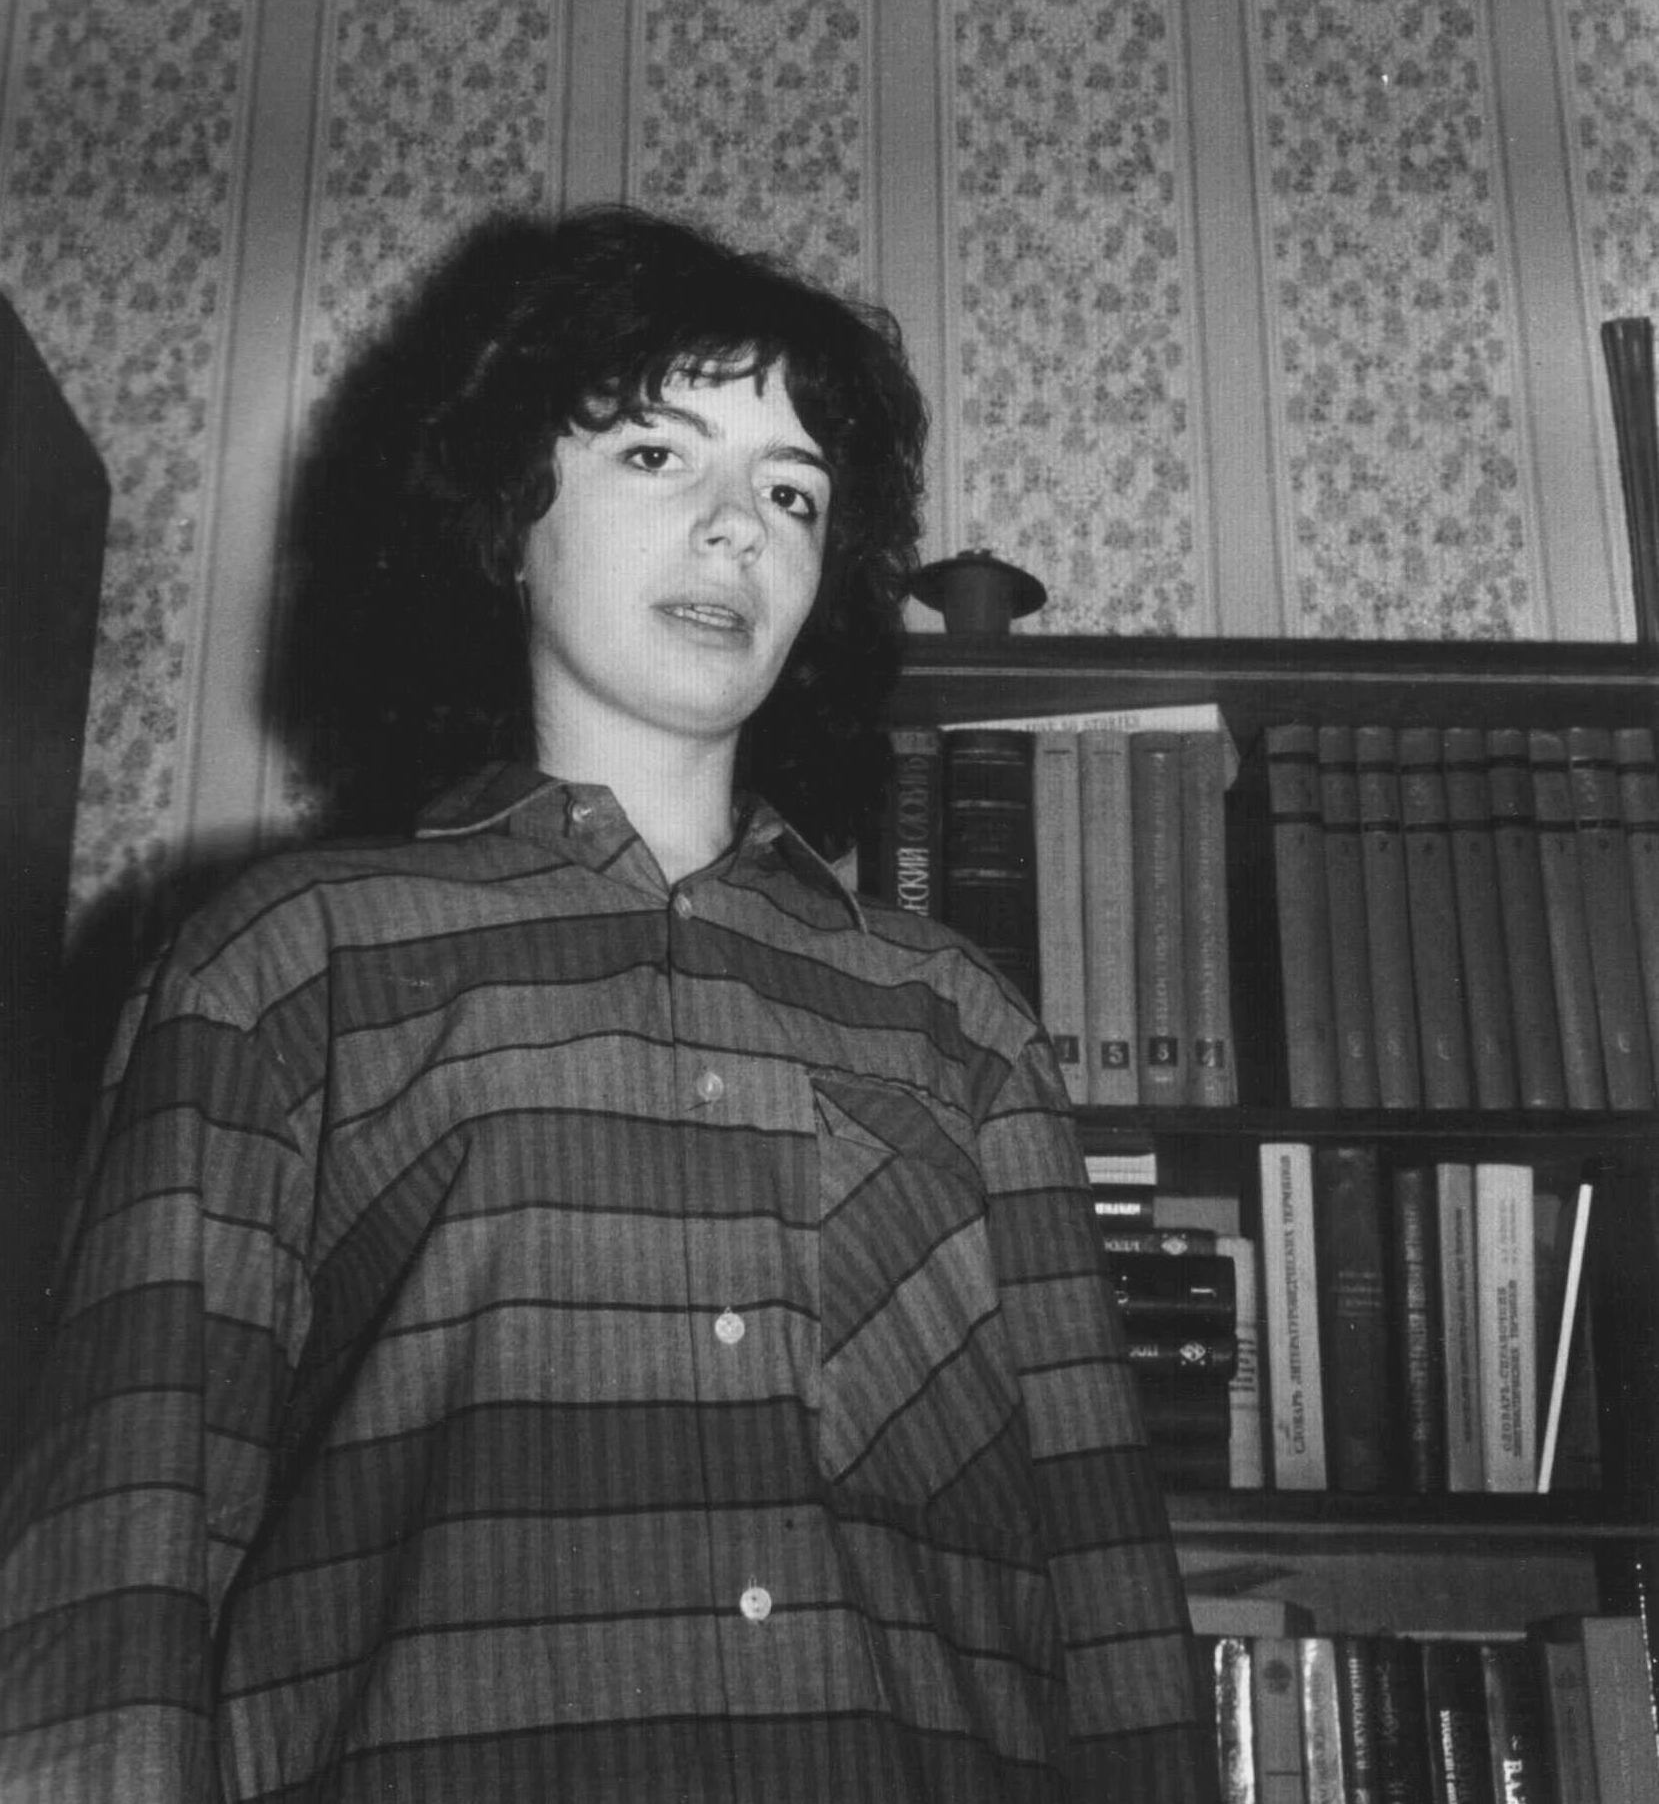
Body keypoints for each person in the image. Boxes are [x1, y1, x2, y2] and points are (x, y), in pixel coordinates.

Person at [0, 206, 1213, 1801]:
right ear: (511, 523)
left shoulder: (958, 1021)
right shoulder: (288, 963)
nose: (738, 531)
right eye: (657, 454)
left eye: (791, 492)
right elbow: (115, 1559)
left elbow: (1106, 1595)